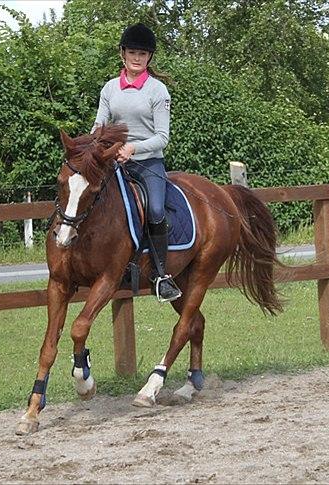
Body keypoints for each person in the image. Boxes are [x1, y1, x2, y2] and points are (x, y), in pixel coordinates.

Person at [92, 23, 181, 302]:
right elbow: (99, 126)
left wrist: (132, 147)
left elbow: (162, 137)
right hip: (114, 162)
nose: (137, 58)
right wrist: (97, 147)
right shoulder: (109, 89)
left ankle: (161, 275)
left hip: (147, 163)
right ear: (122, 53)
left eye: (143, 54)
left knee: (155, 210)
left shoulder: (158, 91)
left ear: (149, 58)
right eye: (133, 52)